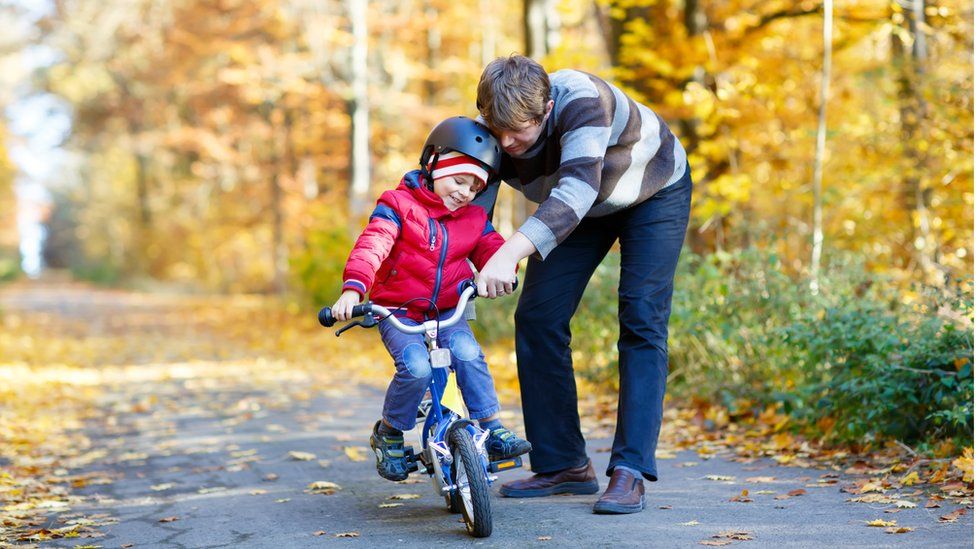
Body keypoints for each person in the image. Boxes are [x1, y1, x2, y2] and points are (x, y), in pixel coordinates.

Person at [471, 54, 693, 514]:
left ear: (547, 110)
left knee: (641, 318)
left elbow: (575, 191)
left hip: (651, 190)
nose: (507, 143)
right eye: (498, 131)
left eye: (520, 132)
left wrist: (508, 254)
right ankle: (563, 465)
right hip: (581, 204)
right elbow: (474, 206)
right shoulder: (491, 124)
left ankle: (630, 471)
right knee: (538, 317)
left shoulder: (584, 102)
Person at [332, 116, 532, 482]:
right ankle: (390, 432)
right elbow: (373, 243)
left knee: (469, 354)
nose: (465, 193)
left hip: (447, 311)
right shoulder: (398, 205)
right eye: (459, 180)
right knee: (416, 367)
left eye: (475, 187)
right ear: (434, 164)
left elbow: (491, 249)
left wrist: (504, 269)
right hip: (399, 310)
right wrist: (353, 288)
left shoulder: (473, 217)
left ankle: (491, 429)